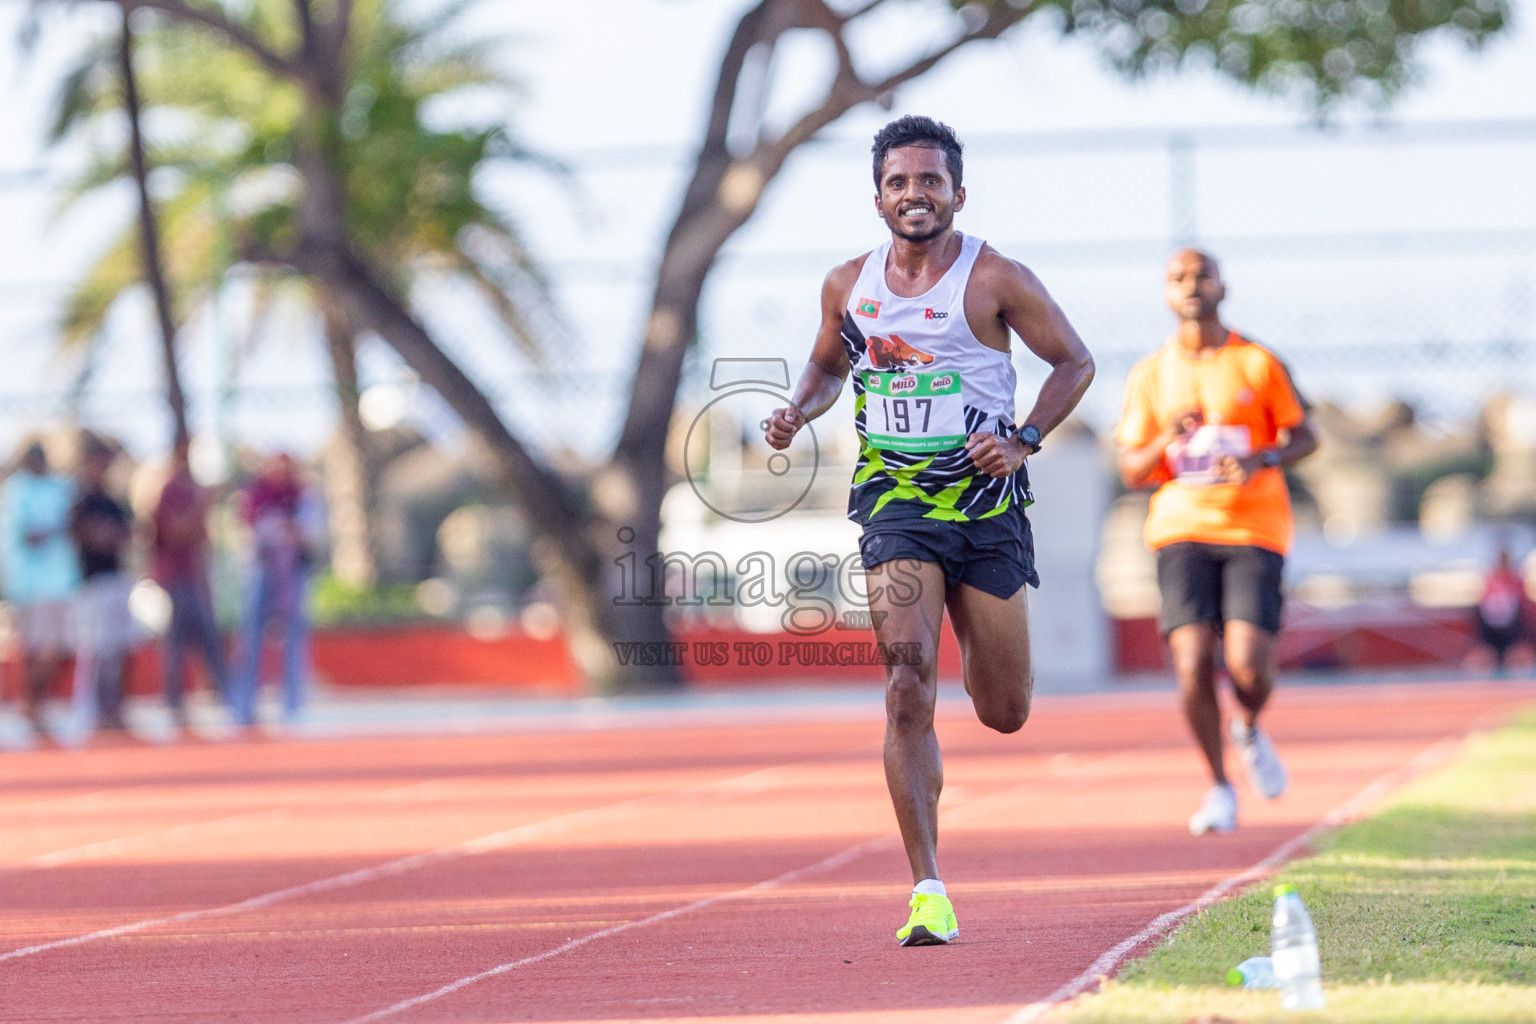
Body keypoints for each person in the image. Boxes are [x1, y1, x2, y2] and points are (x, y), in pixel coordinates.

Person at [764, 116, 1094, 946]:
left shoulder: (996, 279)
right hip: (895, 504)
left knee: (1004, 709)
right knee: (907, 685)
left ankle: (994, 694)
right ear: (878, 197)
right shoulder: (848, 283)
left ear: (957, 192)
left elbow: (1075, 362)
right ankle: (929, 889)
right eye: (901, 182)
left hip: (985, 513)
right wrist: (797, 411)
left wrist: (1022, 439)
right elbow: (827, 367)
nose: (916, 194)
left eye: (931, 181)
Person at [1115, 248, 1318, 836]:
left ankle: (1248, 725)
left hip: (1254, 527)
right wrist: (1165, 442)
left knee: (1248, 668)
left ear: (1222, 287)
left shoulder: (1256, 362)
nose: (1191, 286)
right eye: (1178, 278)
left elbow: (1306, 434)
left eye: (1201, 276)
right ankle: (1220, 787)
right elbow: (1131, 468)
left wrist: (1262, 457)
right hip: (1181, 528)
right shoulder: (1151, 375)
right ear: (1166, 294)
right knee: (1191, 665)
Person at [228, 453, 319, 728]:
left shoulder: (303, 496)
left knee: (294, 636)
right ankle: (243, 706)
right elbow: (246, 533)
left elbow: (311, 536)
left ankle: (292, 704)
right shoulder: (255, 496)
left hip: (293, 574)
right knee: (250, 638)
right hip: (260, 573)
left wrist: (290, 533)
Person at [1, 441, 80, 741]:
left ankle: (34, 703)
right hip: (31, 587)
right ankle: (33, 705)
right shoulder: (17, 490)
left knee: (60, 650)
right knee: (38, 650)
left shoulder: (59, 487)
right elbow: (28, 534)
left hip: (60, 583)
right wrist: (55, 528)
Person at [151, 436, 228, 729]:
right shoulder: (170, 492)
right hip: (175, 576)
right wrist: (200, 507)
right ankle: (174, 701)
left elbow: (202, 539)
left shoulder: (191, 491)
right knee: (177, 640)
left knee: (206, 635)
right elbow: (175, 533)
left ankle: (217, 691)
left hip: (194, 575)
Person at [69, 434, 137, 735]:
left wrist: (107, 534)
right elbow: (82, 533)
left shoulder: (113, 501)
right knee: (95, 649)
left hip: (116, 580)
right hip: (92, 583)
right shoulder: (81, 500)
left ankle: (114, 708)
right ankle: (89, 710)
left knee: (119, 648)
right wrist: (101, 534)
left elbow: (127, 535)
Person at [1467, 548, 1532, 673]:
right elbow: (1481, 600)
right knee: (1483, 654)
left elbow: (1522, 602)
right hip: (1489, 625)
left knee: (1517, 654)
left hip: (1512, 625)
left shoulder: (1515, 579)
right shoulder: (1490, 578)